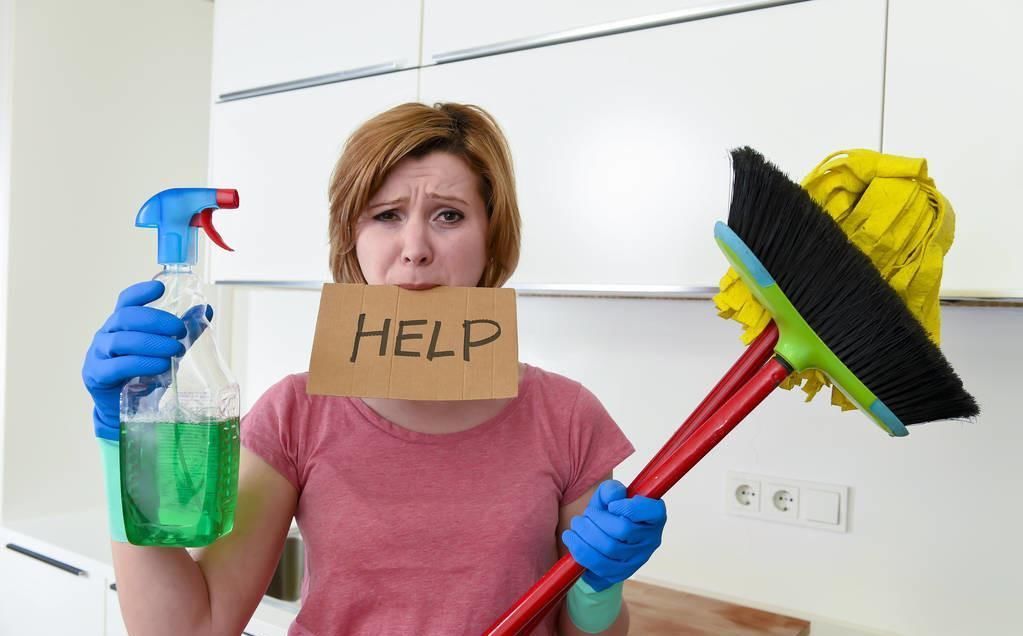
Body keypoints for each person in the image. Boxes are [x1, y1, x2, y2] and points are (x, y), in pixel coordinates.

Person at [83, 102, 668, 635]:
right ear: (351, 239)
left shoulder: (567, 417)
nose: (414, 247)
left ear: (493, 238)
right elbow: (189, 629)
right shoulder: (296, 412)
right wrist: (121, 440)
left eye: (448, 215)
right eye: (386, 215)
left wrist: (597, 591)